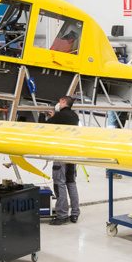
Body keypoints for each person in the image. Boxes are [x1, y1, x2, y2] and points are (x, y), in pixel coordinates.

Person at [45, 95, 80, 225]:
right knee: (71, 182)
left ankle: (62, 215)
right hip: (72, 153)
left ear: (64, 102)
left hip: (60, 153)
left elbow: (45, 127)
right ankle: (75, 213)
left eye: (59, 101)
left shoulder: (60, 116)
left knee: (59, 183)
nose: (58, 103)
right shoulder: (74, 116)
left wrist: (44, 115)